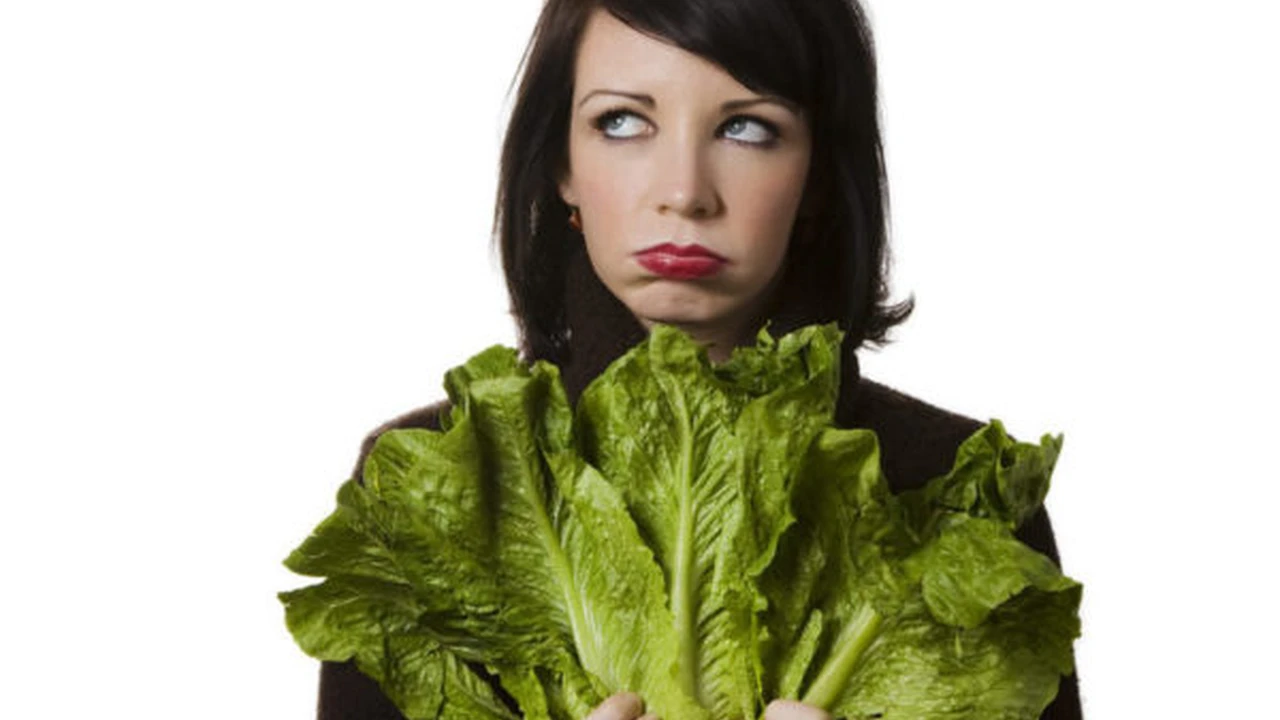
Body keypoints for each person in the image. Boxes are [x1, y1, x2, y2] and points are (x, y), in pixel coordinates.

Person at [316, 0, 1082, 718]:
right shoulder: (437, 475)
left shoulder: (958, 493)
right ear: (561, 165)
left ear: (816, 174)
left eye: (747, 129)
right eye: (621, 122)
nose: (684, 193)